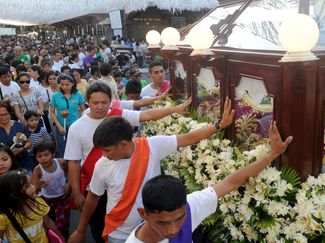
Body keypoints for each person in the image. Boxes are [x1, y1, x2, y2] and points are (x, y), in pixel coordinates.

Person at [68, 98, 234, 242]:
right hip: (118, 233)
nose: (104, 155)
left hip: (153, 231)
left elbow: (189, 138)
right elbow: (93, 198)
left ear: (124, 144)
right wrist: (81, 230)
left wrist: (219, 125)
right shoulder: (102, 164)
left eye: (108, 150)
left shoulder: (151, 146)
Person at [65, 82, 191, 243]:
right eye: (95, 103)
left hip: (122, 186)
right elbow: (74, 163)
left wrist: (174, 109)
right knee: (98, 228)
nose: (100, 107)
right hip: (94, 188)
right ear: (87, 102)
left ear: (111, 101)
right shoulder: (76, 127)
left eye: (104, 102)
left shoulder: (118, 116)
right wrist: (77, 194)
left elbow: (147, 115)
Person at [126, 122, 292, 243]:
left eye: (179, 219)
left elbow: (231, 182)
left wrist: (272, 155)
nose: (173, 230)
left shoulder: (189, 207)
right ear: (143, 214)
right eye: (162, 223)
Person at [0, 170, 65, 242]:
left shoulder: (38, 202)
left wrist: (60, 237)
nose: (33, 186)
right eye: (27, 186)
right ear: (14, 195)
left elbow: (48, 222)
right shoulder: (4, 217)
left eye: (31, 183)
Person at [31, 142, 70, 238]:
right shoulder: (38, 169)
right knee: (50, 222)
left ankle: (64, 237)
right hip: (47, 199)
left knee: (62, 222)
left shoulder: (61, 162)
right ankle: (56, 238)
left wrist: (68, 184)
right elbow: (33, 185)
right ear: (35, 157)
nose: (43, 158)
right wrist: (38, 185)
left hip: (62, 197)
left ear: (53, 154)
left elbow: (70, 172)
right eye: (39, 156)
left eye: (46, 155)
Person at [50, 73, 85, 158]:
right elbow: (52, 113)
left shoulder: (78, 95)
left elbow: (84, 110)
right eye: (62, 84)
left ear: (72, 84)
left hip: (75, 126)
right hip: (61, 126)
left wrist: (81, 123)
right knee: (62, 149)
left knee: (76, 148)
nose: (64, 87)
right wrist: (59, 127)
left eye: (67, 84)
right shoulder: (55, 96)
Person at [0, 103, 34, 172]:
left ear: (10, 113)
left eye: (6, 114)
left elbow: (29, 142)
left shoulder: (19, 126)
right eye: (0, 115)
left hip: (24, 164)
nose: (3, 117)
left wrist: (21, 149)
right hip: (5, 169)